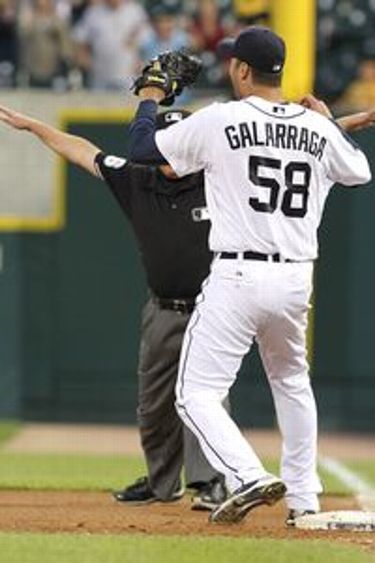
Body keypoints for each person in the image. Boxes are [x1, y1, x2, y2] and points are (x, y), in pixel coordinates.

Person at [126, 25, 372, 525]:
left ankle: (247, 475)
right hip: (295, 280)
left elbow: (143, 150)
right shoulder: (316, 126)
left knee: (194, 393)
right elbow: (358, 172)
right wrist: (328, 123)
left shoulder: (222, 120)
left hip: (238, 274)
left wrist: (151, 96)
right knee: (291, 381)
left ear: (241, 70)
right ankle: (304, 499)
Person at [0, 104, 227, 511]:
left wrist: (339, 124)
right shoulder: (138, 179)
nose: (172, 157)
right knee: (154, 402)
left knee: (202, 396)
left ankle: (210, 481)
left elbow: (275, 152)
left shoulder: (220, 177)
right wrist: (35, 126)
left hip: (211, 310)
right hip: (161, 308)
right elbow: (82, 151)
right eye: (165, 148)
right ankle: (162, 484)